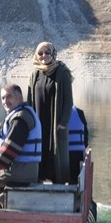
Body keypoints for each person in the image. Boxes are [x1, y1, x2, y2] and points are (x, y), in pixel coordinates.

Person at [27, 41, 74, 184]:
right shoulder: (35, 74)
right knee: (38, 149)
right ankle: (38, 179)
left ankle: (58, 183)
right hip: (38, 121)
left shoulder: (62, 72)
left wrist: (63, 123)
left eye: (47, 52)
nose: (44, 56)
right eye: (40, 53)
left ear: (53, 54)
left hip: (56, 121)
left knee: (56, 151)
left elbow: (68, 101)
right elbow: (29, 100)